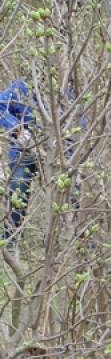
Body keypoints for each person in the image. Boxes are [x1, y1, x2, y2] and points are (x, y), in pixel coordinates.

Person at [1, 79, 37, 242]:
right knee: (18, 194)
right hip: (23, 152)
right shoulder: (21, 88)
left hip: (59, 154)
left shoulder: (68, 91)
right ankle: (11, 240)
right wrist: (18, 130)